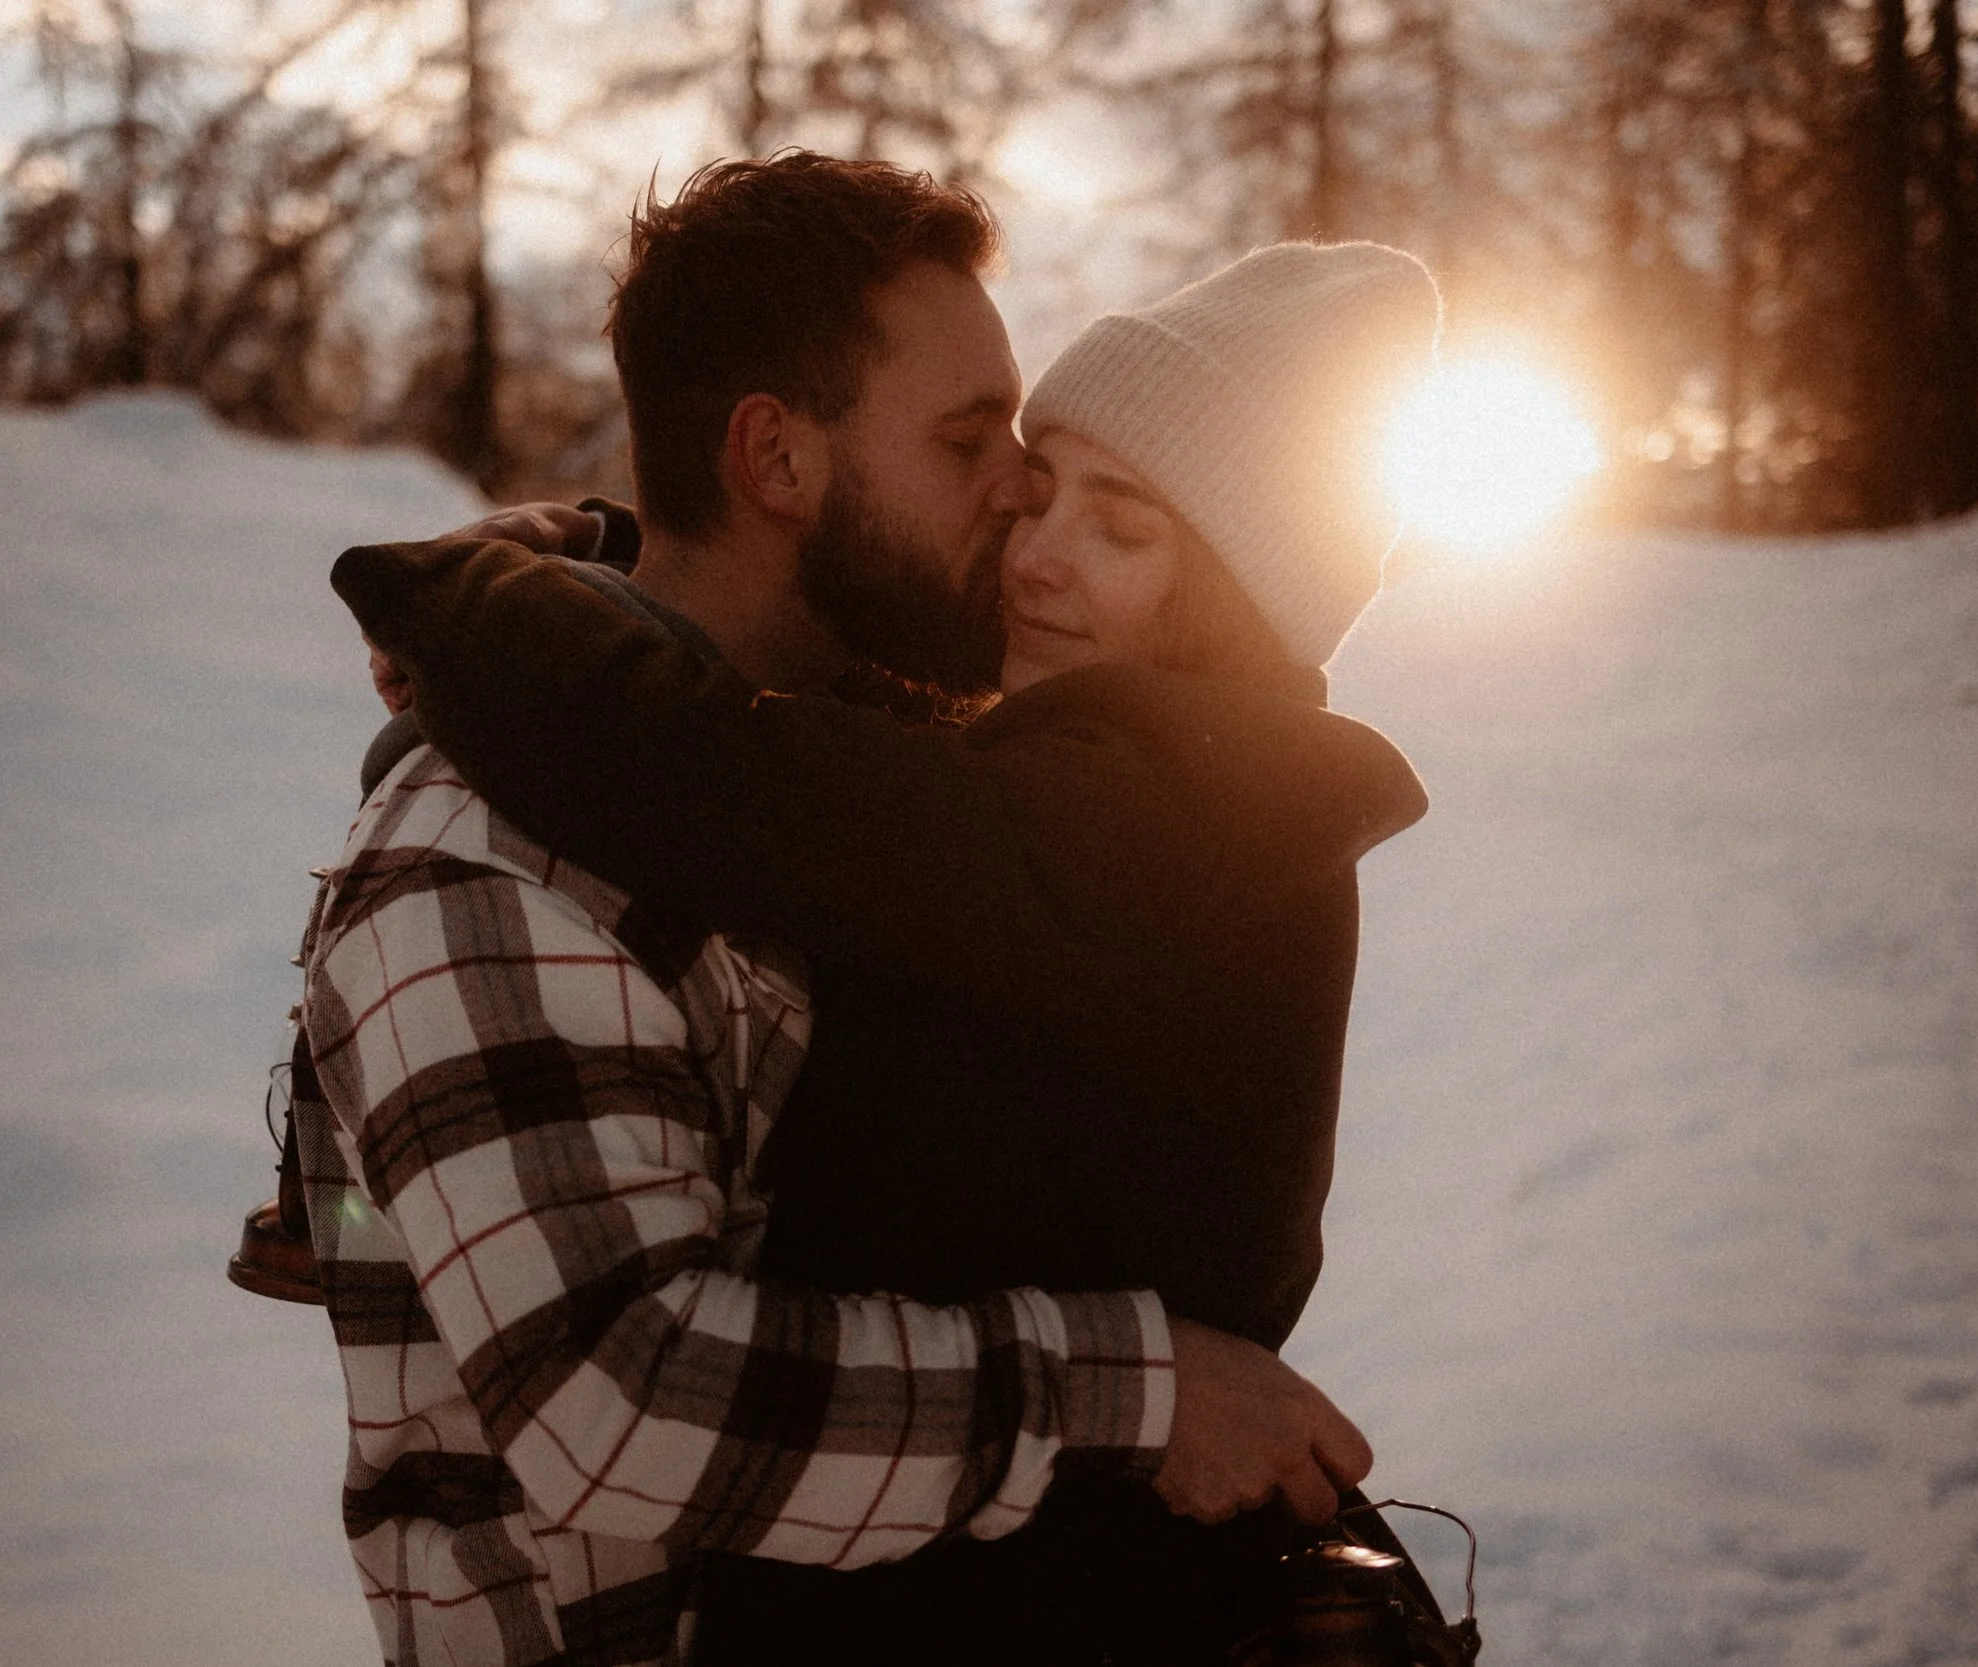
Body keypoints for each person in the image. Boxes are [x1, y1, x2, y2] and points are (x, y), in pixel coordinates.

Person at [292, 154, 1376, 1667]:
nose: (1016, 501)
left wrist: (515, 581)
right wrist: (1141, 1389)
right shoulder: (483, 867)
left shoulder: (880, 792)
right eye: (971, 440)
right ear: (777, 462)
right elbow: (619, 1403)